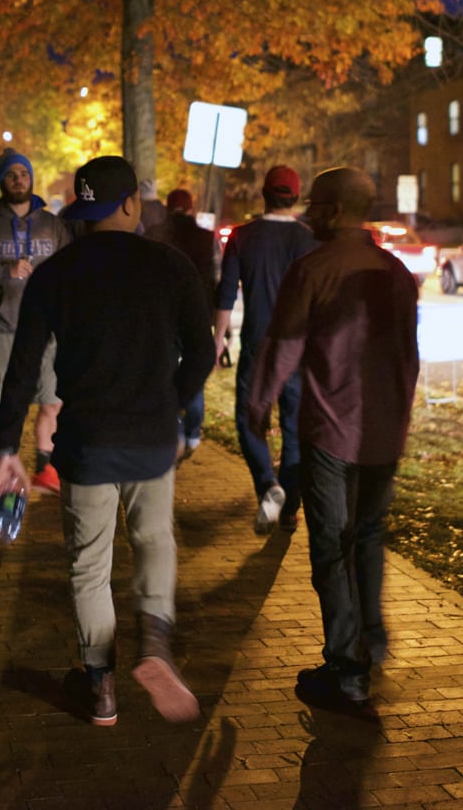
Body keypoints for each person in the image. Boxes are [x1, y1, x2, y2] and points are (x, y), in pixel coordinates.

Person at [0, 155, 215, 727]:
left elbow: (22, 367)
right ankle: (155, 645)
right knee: (154, 539)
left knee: (89, 566)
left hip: (86, 442)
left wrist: (7, 447)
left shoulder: (56, 274)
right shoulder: (171, 266)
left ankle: (101, 691)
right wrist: (176, 402)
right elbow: (203, 350)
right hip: (150, 436)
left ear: (83, 212)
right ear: (133, 204)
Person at [246, 166, 419, 708]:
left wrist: (258, 403)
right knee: (368, 536)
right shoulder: (394, 272)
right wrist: (400, 416)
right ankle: (371, 637)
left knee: (331, 544)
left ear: (337, 211)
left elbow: (284, 344)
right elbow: (408, 357)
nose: (308, 213)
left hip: (329, 431)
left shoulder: (313, 269)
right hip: (383, 432)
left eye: (317, 204)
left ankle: (346, 666)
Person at [215, 165, 318, 533]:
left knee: (249, 419)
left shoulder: (242, 237)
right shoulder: (309, 240)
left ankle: (267, 484)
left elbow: (226, 293)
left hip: (259, 343)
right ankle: (290, 507)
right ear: (295, 196)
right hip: (299, 347)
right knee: (294, 426)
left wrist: (218, 339)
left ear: (264, 194)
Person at [0, 148, 69, 491]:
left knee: (52, 401)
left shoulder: (52, 225)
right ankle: (7, 465)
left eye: (24, 174)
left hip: (47, 331)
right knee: (11, 407)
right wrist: (1, 271)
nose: (19, 180)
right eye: (12, 175)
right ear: (2, 181)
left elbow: (70, 268)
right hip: (3, 327)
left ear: (31, 178)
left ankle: (45, 469)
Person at [158, 188, 218, 459]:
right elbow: (214, 279)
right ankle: (193, 432)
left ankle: (175, 430)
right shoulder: (206, 239)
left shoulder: (158, 235)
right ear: (192, 208)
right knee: (196, 367)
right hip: (198, 313)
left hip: (165, 315)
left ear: (168, 209)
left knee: (167, 371)